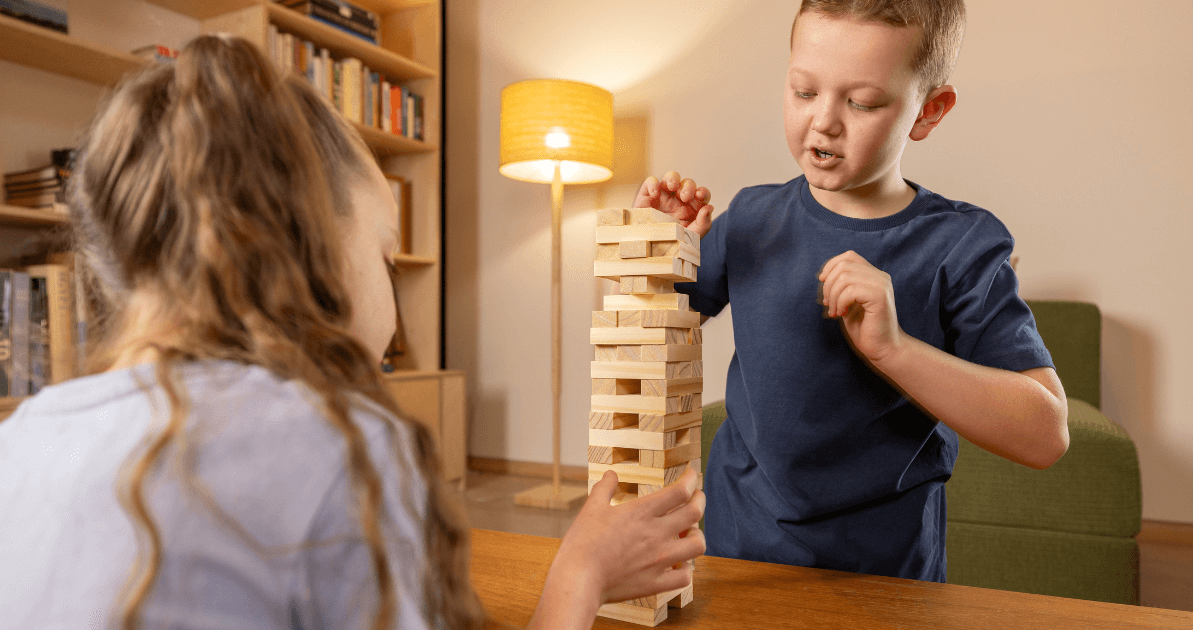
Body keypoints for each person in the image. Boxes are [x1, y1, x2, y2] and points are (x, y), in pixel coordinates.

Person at [0, 35, 704, 630]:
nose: (391, 290)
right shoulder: (343, 453)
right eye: (387, 255)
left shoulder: (22, 436)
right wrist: (582, 569)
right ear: (309, 248)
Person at [633, 0, 1069, 582]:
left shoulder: (963, 245)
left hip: (884, 573)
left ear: (929, 111)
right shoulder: (750, 218)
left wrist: (896, 349)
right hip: (736, 551)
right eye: (804, 91)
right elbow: (644, 333)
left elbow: (1045, 435)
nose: (825, 122)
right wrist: (651, 251)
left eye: (861, 102)